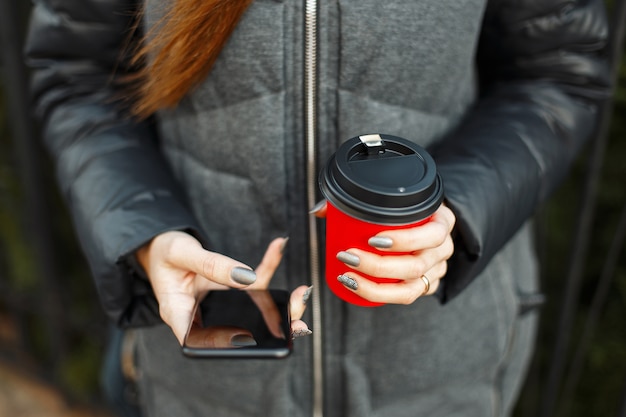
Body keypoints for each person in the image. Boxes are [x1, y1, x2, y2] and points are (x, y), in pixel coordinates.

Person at [24, 0, 611, 416]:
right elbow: (76, 76)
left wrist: (454, 211)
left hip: (439, 368)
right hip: (203, 377)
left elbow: (560, 72)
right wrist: (146, 235)